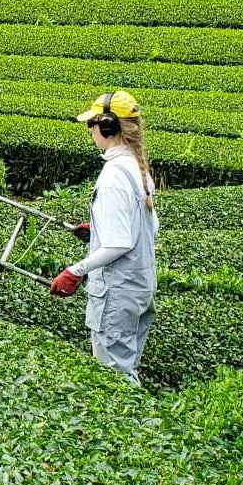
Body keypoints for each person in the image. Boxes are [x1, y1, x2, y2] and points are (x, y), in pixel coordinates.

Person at [50, 91, 158, 386]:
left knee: (114, 380)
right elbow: (149, 226)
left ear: (108, 127)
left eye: (92, 124)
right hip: (140, 287)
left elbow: (119, 243)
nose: (91, 131)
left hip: (117, 293)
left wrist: (76, 270)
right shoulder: (136, 166)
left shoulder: (113, 176)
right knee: (127, 369)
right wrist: (98, 230)